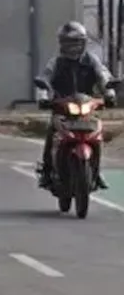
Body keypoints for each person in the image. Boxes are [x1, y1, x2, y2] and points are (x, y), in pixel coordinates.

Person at [37, 21, 113, 190]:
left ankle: (97, 171)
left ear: (83, 43)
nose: (73, 47)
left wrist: (109, 93)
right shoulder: (56, 63)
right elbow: (44, 80)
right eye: (69, 42)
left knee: (97, 135)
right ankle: (46, 171)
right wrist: (43, 96)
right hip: (62, 108)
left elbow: (103, 76)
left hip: (86, 107)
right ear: (62, 43)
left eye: (77, 42)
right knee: (52, 133)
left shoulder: (91, 61)